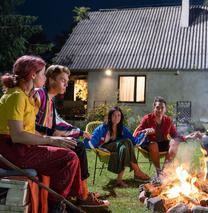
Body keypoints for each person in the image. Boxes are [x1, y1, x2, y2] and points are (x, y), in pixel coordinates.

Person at [0, 55, 82, 212]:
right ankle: (55, 207)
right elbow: (17, 135)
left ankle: (59, 202)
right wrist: (51, 140)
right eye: (43, 73)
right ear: (32, 75)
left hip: (20, 148)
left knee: (68, 154)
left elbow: (29, 129)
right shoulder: (16, 96)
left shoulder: (24, 96)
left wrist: (54, 139)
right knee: (68, 158)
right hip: (13, 151)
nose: (45, 77)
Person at [34, 65, 109, 208]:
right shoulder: (39, 94)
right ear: (50, 80)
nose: (66, 84)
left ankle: (80, 193)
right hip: (36, 141)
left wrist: (80, 132)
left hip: (44, 140)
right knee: (78, 147)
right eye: (62, 80)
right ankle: (82, 195)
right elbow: (35, 124)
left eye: (67, 81)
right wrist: (78, 133)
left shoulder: (49, 100)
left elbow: (58, 123)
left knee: (77, 145)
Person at [86, 106, 150, 187]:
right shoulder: (102, 128)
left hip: (119, 148)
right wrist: (88, 139)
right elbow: (93, 142)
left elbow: (135, 142)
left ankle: (119, 180)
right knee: (126, 142)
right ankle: (137, 171)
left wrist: (144, 133)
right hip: (105, 148)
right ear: (110, 116)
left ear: (121, 117)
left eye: (119, 115)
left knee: (125, 147)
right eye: (114, 115)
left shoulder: (122, 129)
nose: (116, 117)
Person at [133, 96, 190, 177]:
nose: (159, 110)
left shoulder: (168, 120)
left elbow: (175, 135)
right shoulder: (147, 118)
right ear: (154, 108)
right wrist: (146, 131)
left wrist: (186, 137)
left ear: (165, 109)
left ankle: (164, 171)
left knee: (175, 142)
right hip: (148, 144)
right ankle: (158, 171)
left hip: (162, 143)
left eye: (162, 108)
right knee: (154, 144)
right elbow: (136, 134)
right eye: (157, 107)